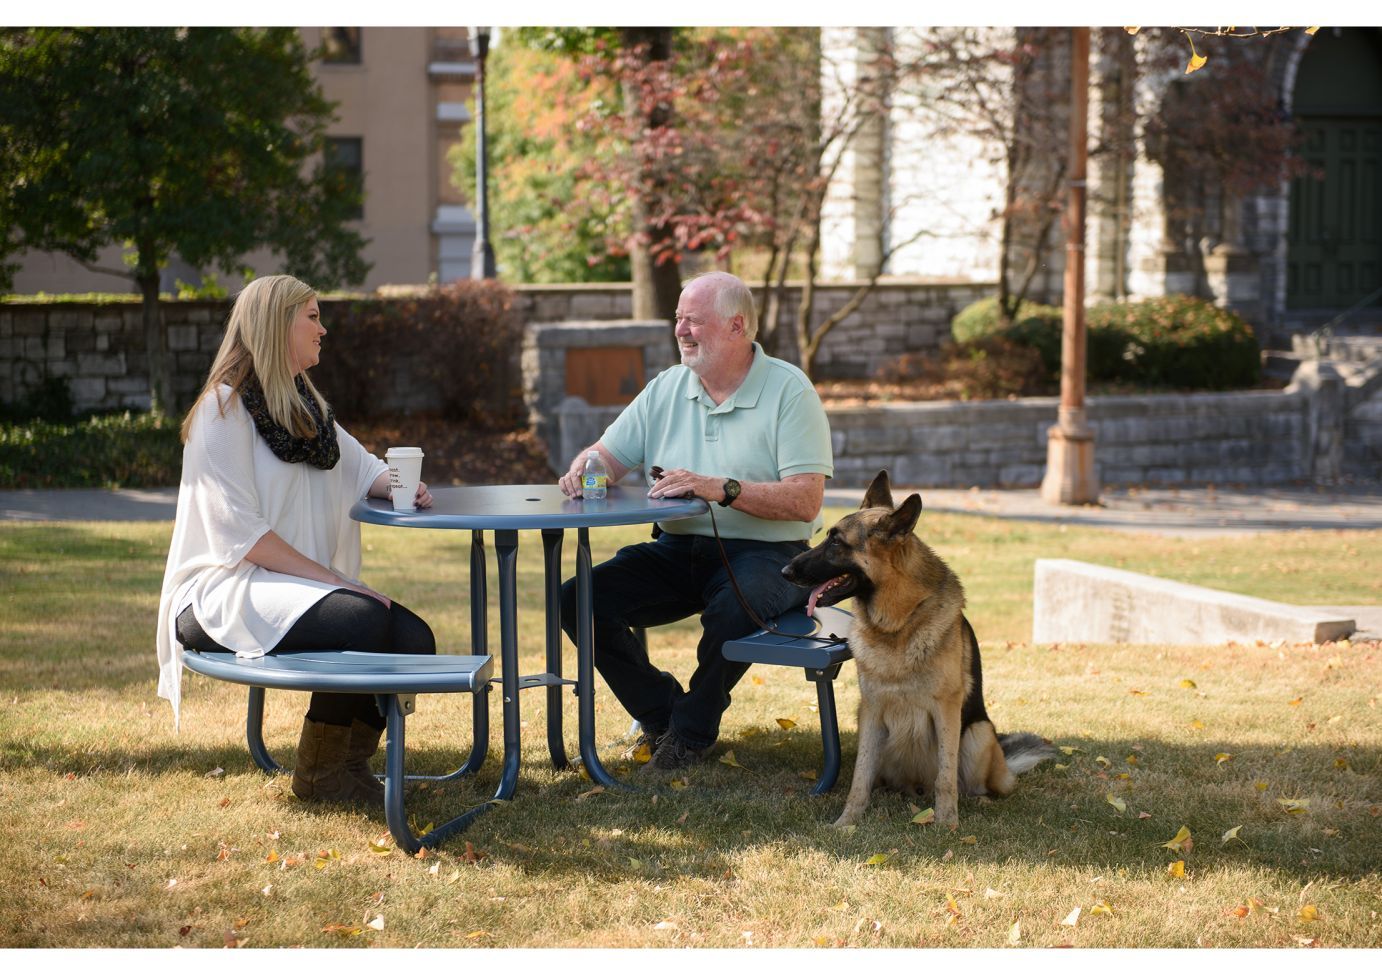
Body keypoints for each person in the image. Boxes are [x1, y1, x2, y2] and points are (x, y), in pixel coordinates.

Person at [155, 274, 436, 806]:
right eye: (312, 316)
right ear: (276, 324)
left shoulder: (307, 407)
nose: (323, 329)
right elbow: (243, 537)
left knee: (414, 639)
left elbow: (363, 469)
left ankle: (347, 767)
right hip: (223, 590)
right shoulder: (223, 410)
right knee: (361, 618)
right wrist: (333, 581)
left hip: (289, 586)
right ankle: (319, 777)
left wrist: (403, 483)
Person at [557, 271, 833, 772]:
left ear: (736, 326)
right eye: (678, 319)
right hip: (676, 548)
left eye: (694, 321)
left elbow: (805, 501)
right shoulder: (667, 387)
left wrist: (720, 487)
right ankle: (662, 715)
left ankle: (689, 735)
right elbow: (607, 456)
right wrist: (585, 467)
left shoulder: (790, 391)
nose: (681, 331)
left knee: (735, 607)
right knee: (577, 599)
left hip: (770, 553)